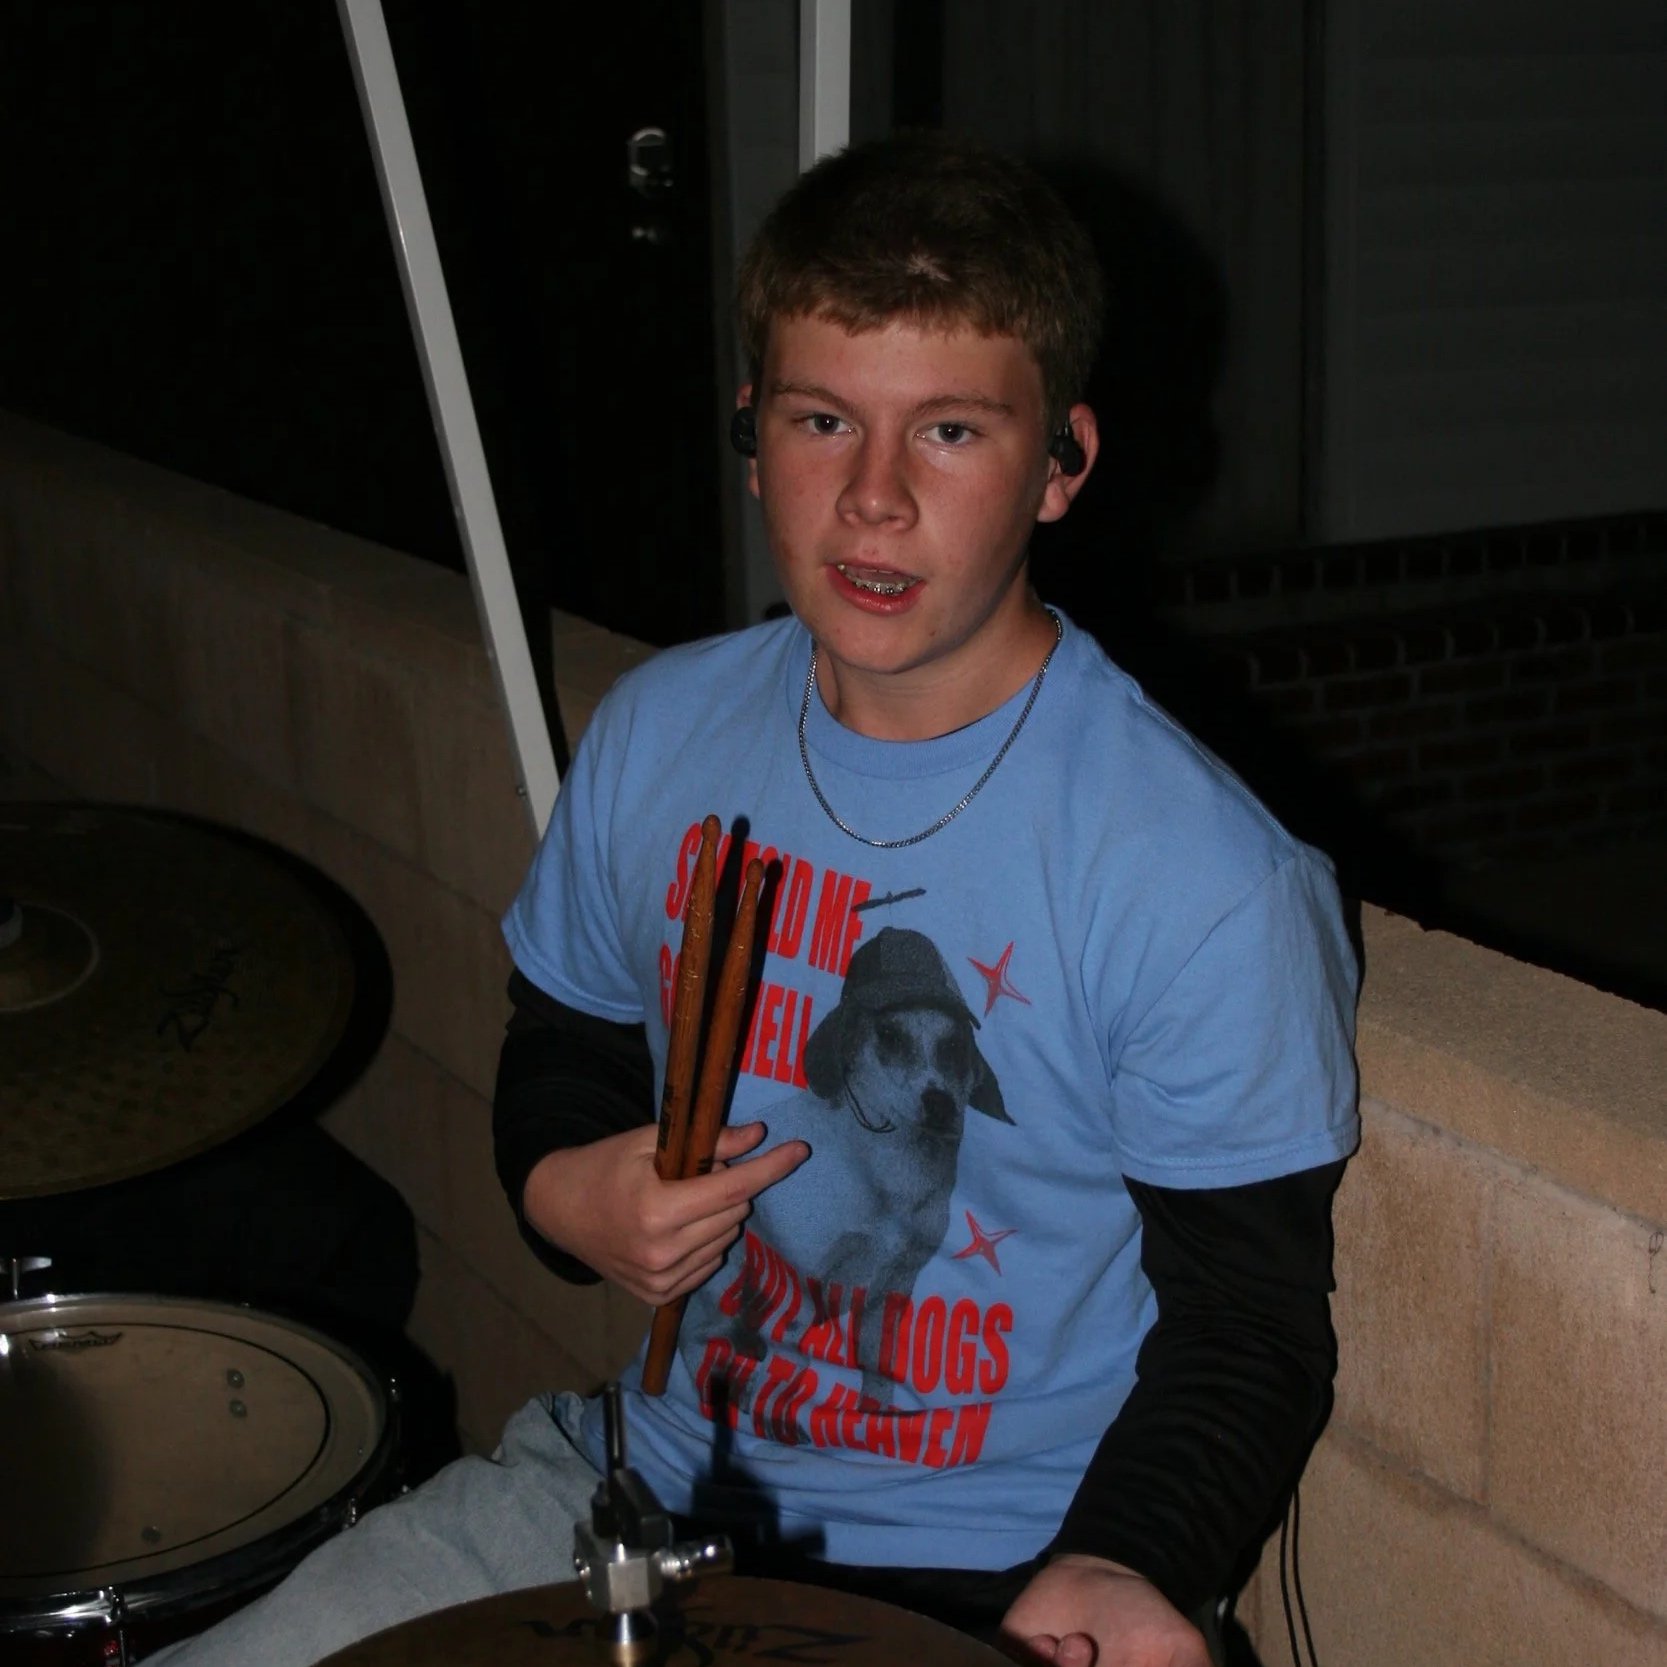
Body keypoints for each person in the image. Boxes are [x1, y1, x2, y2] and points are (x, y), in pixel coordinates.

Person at [151, 131, 1357, 1667]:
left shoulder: (1201, 878)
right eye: (820, 418)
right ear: (750, 430)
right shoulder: (663, 733)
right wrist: (562, 1190)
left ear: (1063, 465)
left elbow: (1249, 1325)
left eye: (951, 434)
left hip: (990, 1579)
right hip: (631, 1493)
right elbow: (568, 1035)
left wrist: (1132, 1559)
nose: (871, 498)